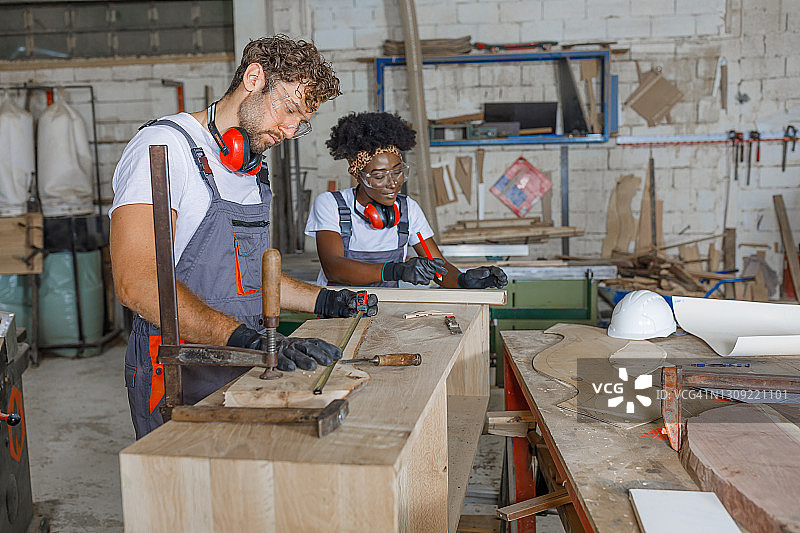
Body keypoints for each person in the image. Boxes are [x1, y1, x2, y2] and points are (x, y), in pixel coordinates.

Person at [110, 36, 377, 439]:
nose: (289, 131)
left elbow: (248, 278)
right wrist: (244, 339)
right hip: (179, 371)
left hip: (245, 364)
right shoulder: (166, 148)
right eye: (288, 109)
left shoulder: (250, 170)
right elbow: (137, 284)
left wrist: (325, 301)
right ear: (254, 78)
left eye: (300, 122)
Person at [305, 111, 508, 290]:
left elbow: (438, 267)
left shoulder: (407, 209)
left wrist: (464, 280)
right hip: (337, 313)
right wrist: (396, 271)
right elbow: (334, 269)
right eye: (379, 176)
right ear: (359, 176)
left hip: (384, 312)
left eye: (397, 172)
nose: (392, 183)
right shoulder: (331, 205)